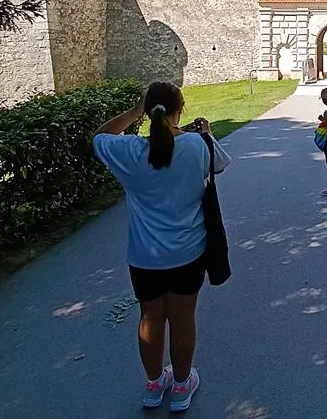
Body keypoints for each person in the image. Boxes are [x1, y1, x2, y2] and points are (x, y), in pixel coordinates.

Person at [93, 81, 231, 412]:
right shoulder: (199, 145)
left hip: (144, 255)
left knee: (150, 317)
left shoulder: (130, 153)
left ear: (148, 111)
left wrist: (136, 111)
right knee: (183, 317)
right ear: (179, 109)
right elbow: (221, 164)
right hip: (189, 250)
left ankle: (154, 385)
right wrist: (206, 133)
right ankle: (182, 387)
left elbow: (99, 137)